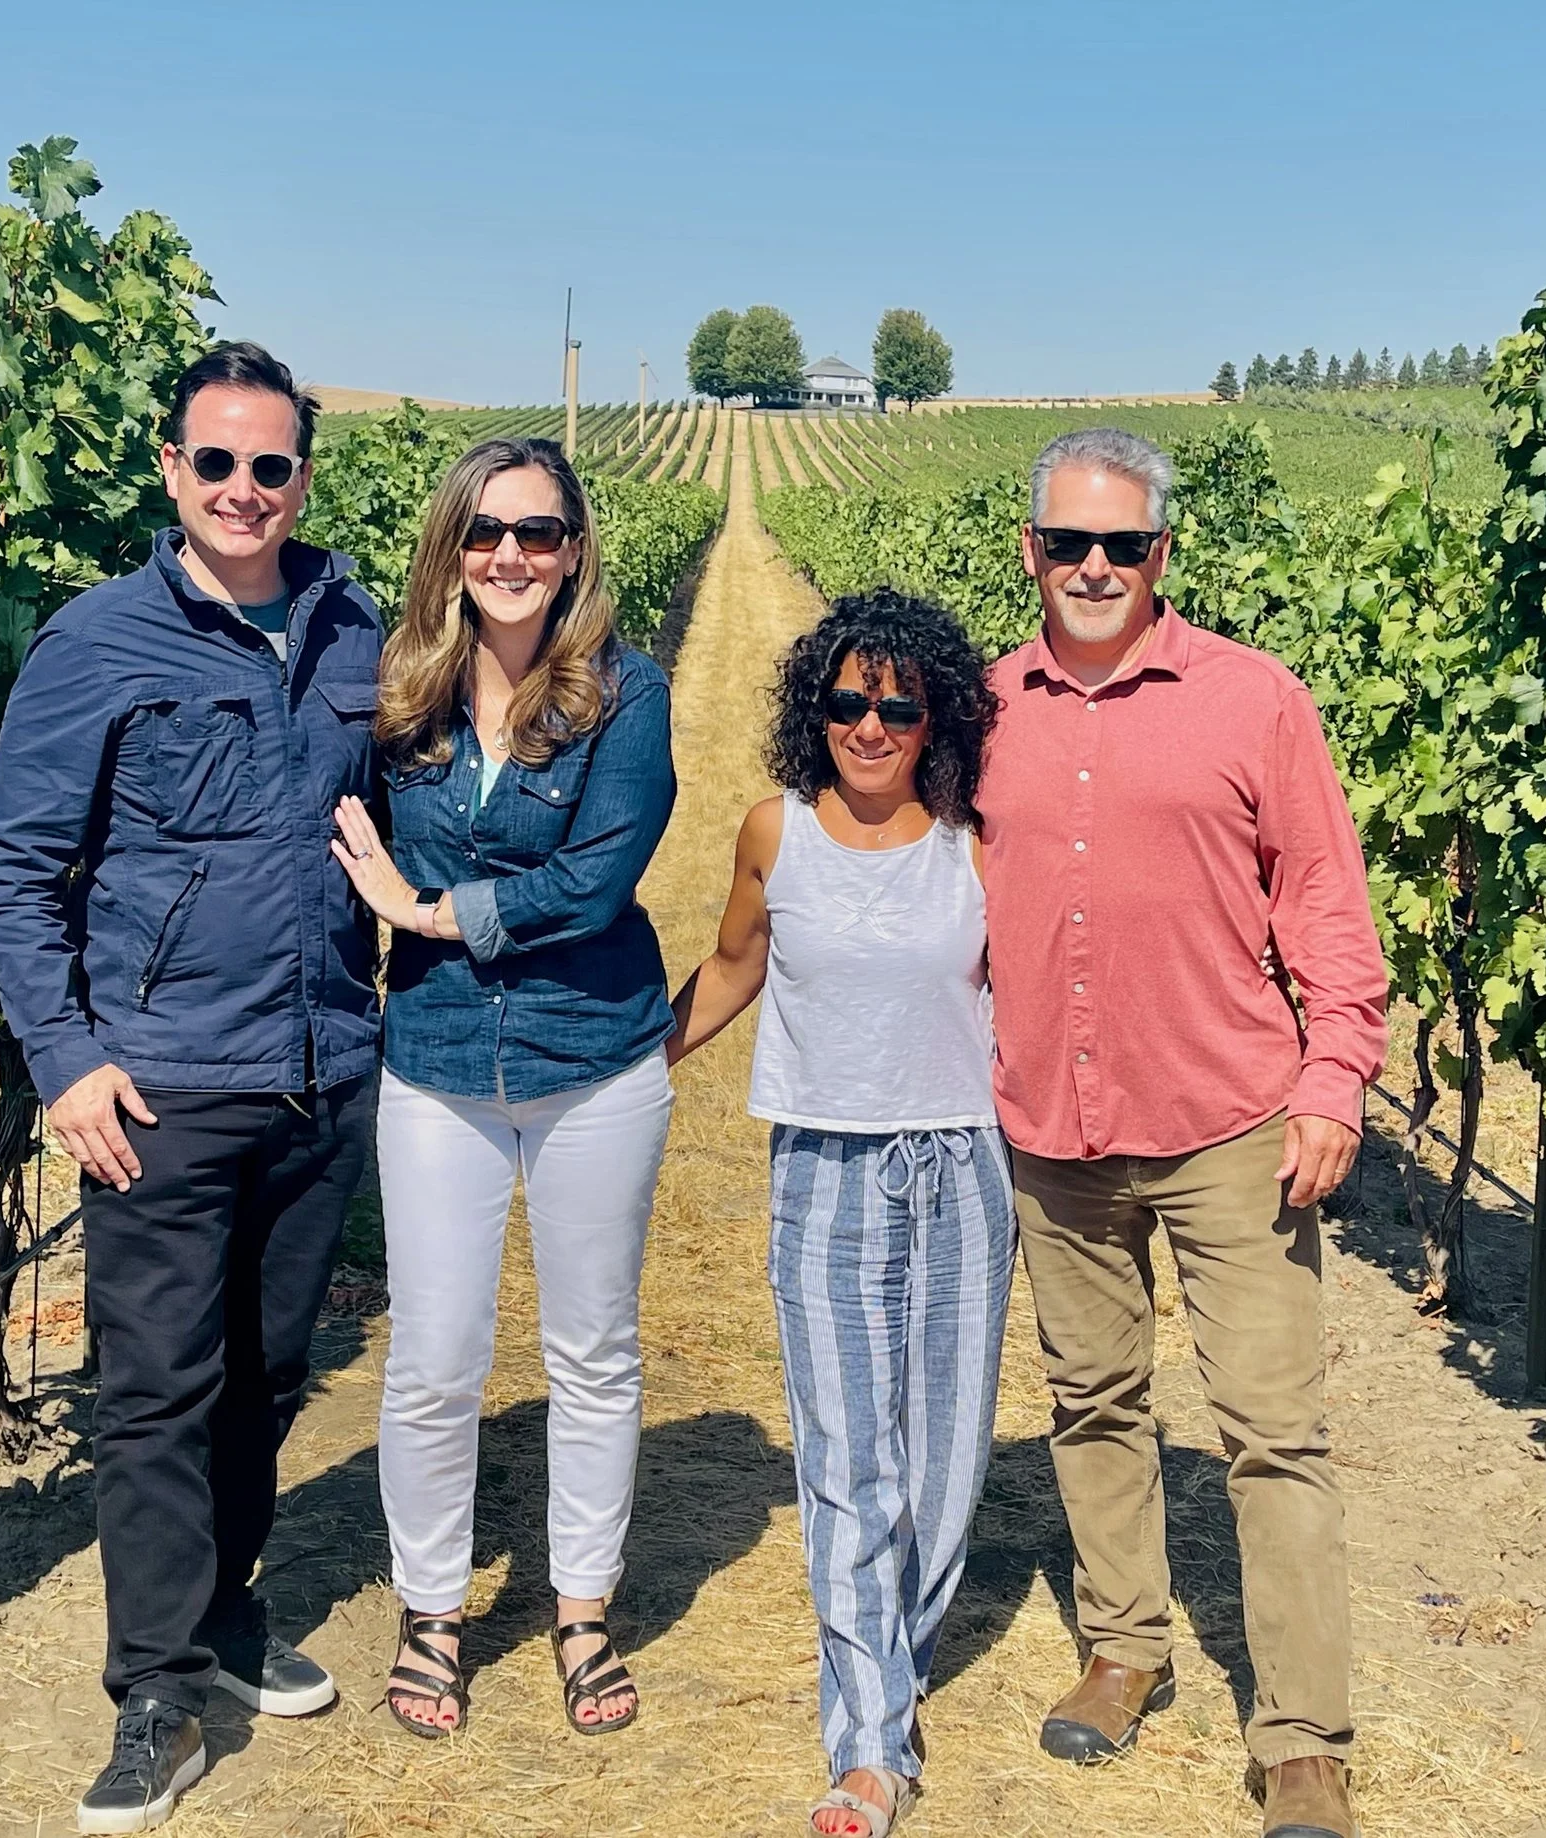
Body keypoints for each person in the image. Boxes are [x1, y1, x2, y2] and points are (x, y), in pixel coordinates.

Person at [0, 342, 384, 1834]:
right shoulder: (98, 644)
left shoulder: (356, 638)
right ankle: (156, 1685)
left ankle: (223, 1611)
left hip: (321, 1071)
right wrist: (66, 1059)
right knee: (155, 1389)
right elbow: (14, 877)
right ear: (171, 471)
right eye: (215, 462)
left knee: (270, 1375)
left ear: (302, 478)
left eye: (269, 465)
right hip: (157, 1091)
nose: (242, 491)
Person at [978, 429, 1386, 1838]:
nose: (1096, 568)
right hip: (1052, 1122)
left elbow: (1326, 902)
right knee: (1093, 1400)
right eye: (1071, 543)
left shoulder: (1255, 700)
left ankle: (1303, 1737)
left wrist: (1336, 1076)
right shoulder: (980, 708)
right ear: (1029, 548)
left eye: (1125, 546)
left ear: (1165, 555)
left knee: (1273, 1431)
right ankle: (1126, 1646)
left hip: (1230, 1121)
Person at [329, 437, 676, 1743]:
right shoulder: (399, 690)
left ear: (575, 548)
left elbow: (596, 877)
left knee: (591, 1348)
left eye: (538, 532)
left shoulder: (624, 694)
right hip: (434, 1060)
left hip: (593, 1057)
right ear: (452, 546)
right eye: (486, 531)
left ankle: (581, 1606)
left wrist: (424, 906)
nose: (511, 555)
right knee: (434, 1352)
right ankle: (433, 1606)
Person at [668, 591, 1009, 1838]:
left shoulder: (975, 841)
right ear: (817, 711)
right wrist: (627, 1073)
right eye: (849, 702)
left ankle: (895, 1659)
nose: (872, 725)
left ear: (937, 721)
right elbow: (732, 964)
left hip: (962, 1168)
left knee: (947, 1459)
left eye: (899, 706)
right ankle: (867, 1737)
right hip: (825, 1164)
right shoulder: (775, 832)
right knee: (847, 1456)